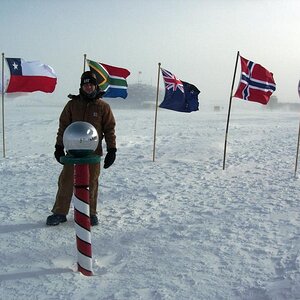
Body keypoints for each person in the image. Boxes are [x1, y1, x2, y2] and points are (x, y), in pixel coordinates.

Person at [46, 71, 117, 226]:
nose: (89, 87)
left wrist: (112, 150)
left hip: (93, 153)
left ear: (96, 86)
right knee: (65, 181)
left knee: (91, 182)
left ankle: (90, 213)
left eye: (91, 84)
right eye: (86, 84)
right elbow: (63, 127)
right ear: (81, 86)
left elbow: (109, 129)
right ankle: (59, 212)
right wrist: (59, 147)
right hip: (73, 153)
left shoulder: (103, 107)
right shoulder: (72, 105)